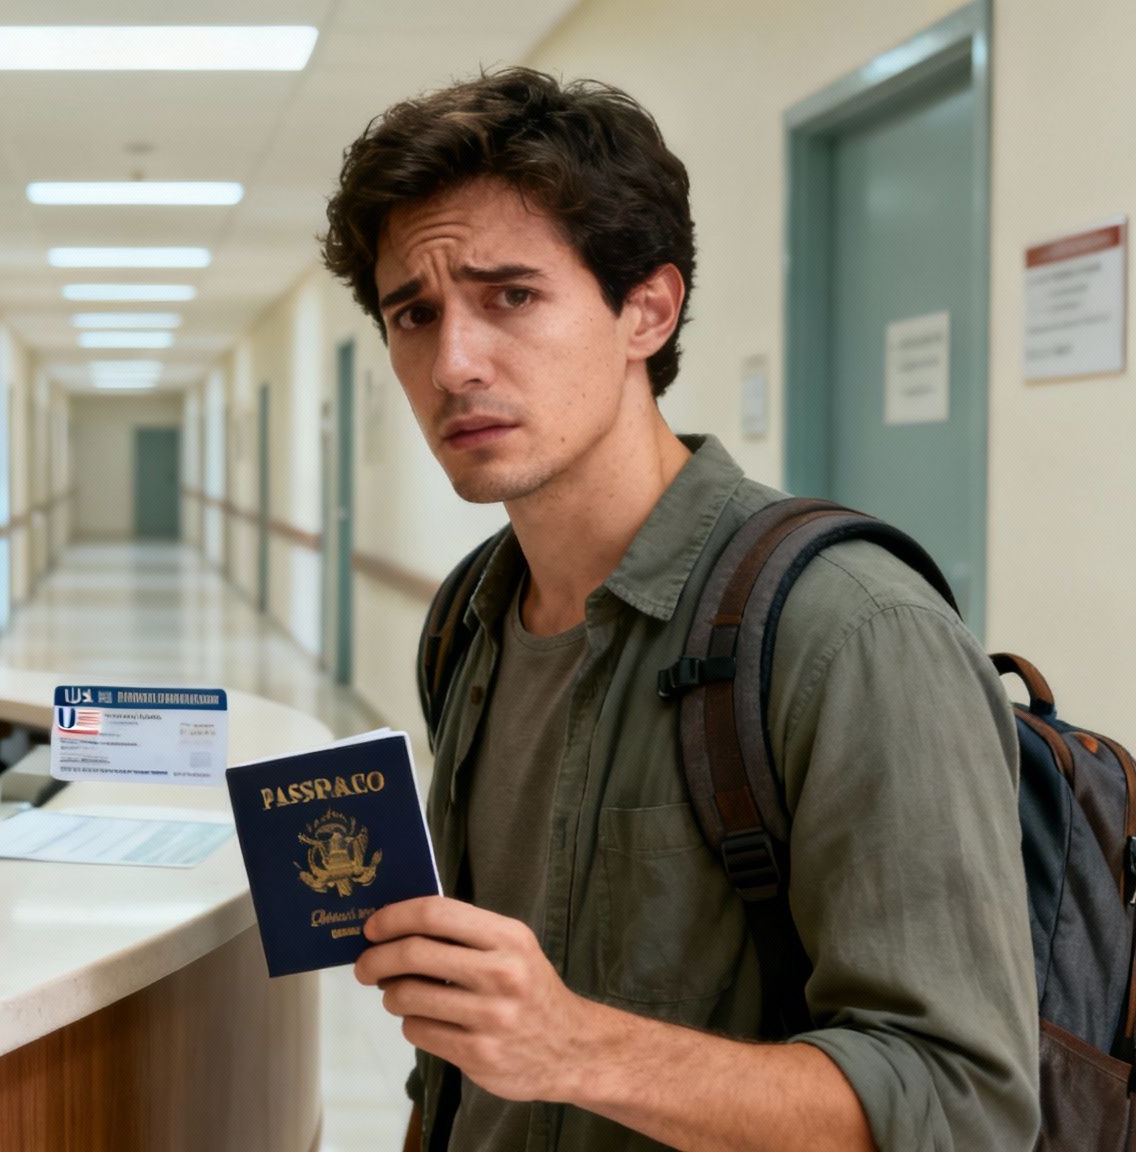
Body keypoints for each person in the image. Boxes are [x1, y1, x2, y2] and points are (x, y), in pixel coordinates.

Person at [318, 71, 1036, 1150]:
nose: (452, 362)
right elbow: (464, 1059)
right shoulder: (471, 617)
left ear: (643, 310)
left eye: (509, 295)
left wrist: (574, 1045)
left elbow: (960, 1104)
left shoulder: (848, 633)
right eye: (411, 315)